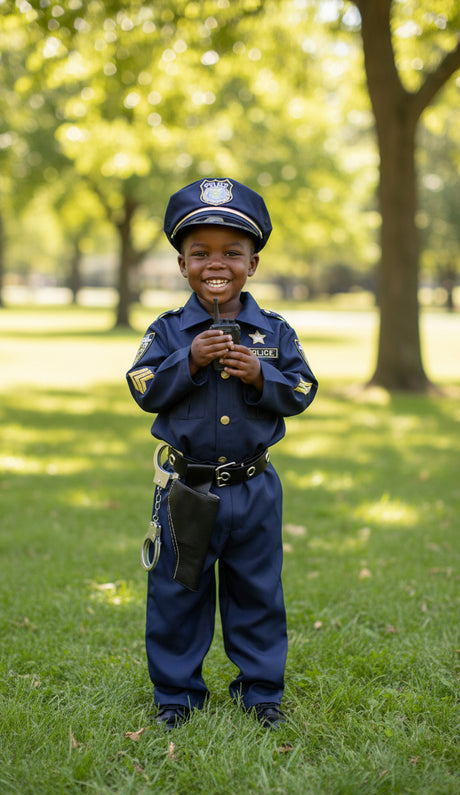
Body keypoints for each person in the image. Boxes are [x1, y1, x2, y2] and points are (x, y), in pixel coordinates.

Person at [126, 178, 318, 730]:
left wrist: (263, 376)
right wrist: (185, 362)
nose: (217, 263)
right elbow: (141, 386)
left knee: (257, 591)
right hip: (187, 489)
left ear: (253, 263)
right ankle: (177, 698)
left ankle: (260, 694)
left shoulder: (274, 333)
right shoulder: (167, 332)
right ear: (182, 264)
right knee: (178, 593)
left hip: (255, 489)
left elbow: (303, 390)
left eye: (232, 252)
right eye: (200, 252)